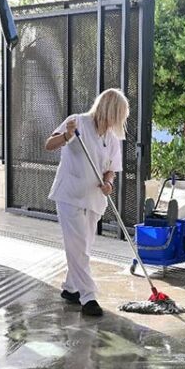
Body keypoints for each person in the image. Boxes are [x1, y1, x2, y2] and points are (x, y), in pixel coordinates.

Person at [44, 88, 129, 317]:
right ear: (108, 110)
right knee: (78, 246)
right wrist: (66, 136)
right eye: (118, 114)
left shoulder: (111, 137)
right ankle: (88, 296)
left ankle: (71, 289)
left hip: (94, 198)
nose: (119, 120)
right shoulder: (77, 122)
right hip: (70, 195)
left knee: (83, 246)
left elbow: (111, 169)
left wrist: (109, 184)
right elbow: (49, 144)